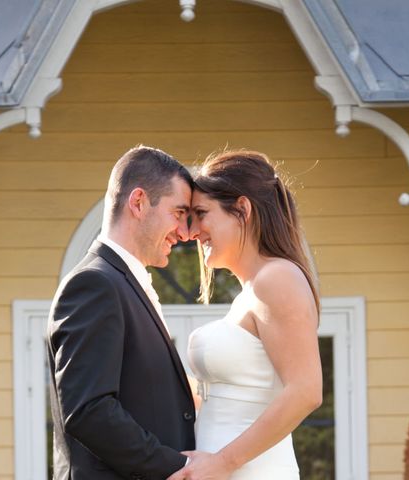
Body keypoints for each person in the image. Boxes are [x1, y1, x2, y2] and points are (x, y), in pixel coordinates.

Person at [169, 150, 323, 480]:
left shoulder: (276, 278)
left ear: (242, 209)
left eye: (201, 213)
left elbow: (306, 391)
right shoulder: (252, 291)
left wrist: (222, 463)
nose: (193, 232)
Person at [47, 146, 197, 480]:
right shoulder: (94, 284)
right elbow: (89, 411)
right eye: (178, 213)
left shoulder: (123, 283)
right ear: (139, 202)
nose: (185, 232)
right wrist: (178, 468)